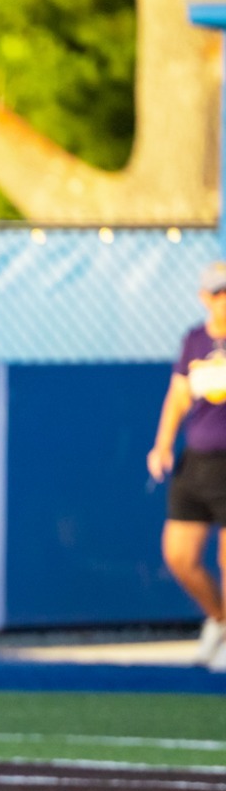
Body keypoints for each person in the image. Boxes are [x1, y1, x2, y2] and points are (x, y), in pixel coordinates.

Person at [146, 260, 226, 670]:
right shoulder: (194, 340)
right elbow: (178, 396)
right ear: (204, 298)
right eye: (217, 293)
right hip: (197, 463)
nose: (223, 301)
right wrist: (162, 445)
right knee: (179, 555)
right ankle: (219, 619)